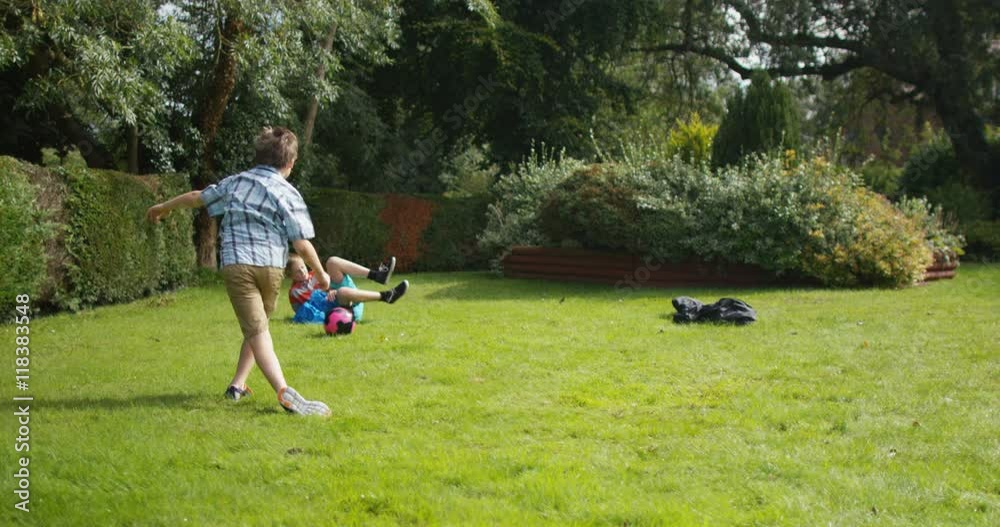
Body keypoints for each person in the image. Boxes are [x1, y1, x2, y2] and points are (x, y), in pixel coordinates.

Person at [146, 126, 331, 417]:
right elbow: (301, 243)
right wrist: (320, 273)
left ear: (258, 156)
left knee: (256, 329)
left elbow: (197, 197)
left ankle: (280, 390)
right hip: (271, 267)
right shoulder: (289, 192)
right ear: (291, 163)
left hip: (237, 264)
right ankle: (242, 385)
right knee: (257, 327)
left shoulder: (236, 182)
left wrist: (163, 207)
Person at [286, 254, 409, 324]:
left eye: (303, 267)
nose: (302, 272)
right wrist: (330, 293)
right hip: (346, 310)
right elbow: (309, 308)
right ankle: (386, 296)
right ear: (290, 275)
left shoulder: (315, 274)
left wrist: (331, 290)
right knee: (342, 292)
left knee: (332, 262)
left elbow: (329, 284)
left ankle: (377, 275)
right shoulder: (296, 291)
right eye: (297, 271)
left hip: (348, 297)